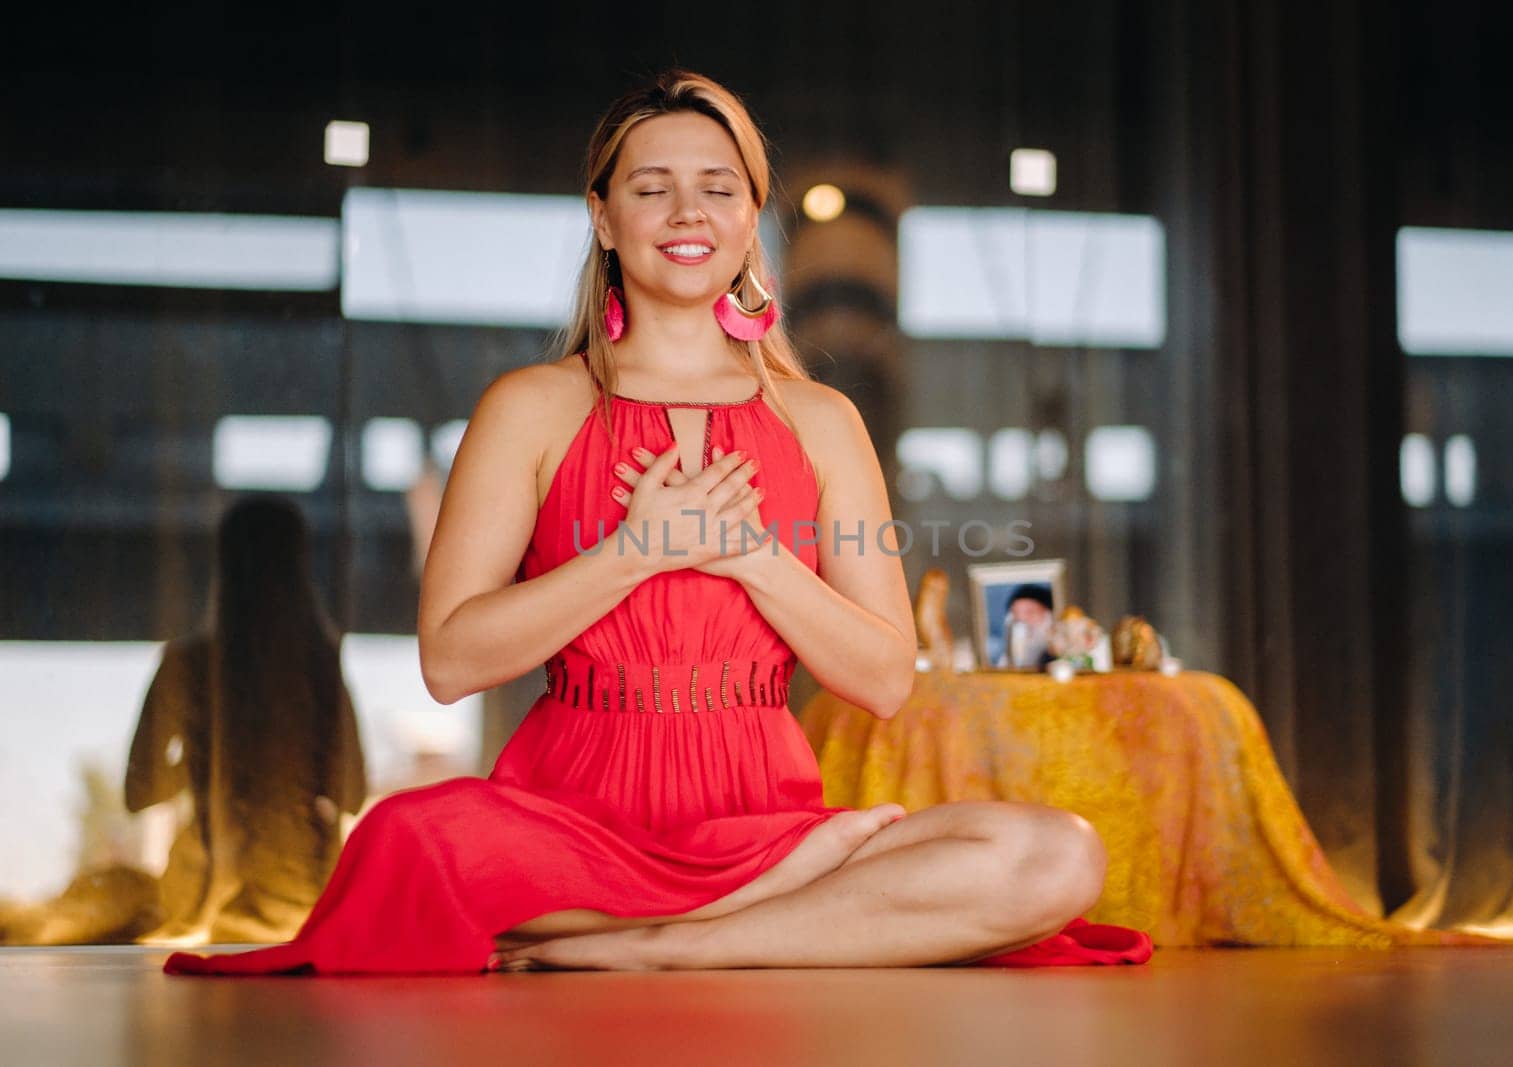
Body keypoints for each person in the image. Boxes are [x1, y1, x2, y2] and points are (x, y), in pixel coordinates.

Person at [166, 70, 1149, 975]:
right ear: (602, 216)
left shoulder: (821, 422)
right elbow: (452, 658)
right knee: (406, 838)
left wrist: (752, 555)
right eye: (651, 187)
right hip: (565, 826)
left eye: (718, 186)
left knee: (1056, 854)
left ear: (751, 215)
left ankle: (667, 945)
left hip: (766, 825)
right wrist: (637, 551)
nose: (688, 212)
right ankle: (764, 924)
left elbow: (885, 676)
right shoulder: (532, 406)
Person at [129, 495, 366, 946]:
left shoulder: (188, 664)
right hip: (303, 889)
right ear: (300, 570)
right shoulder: (318, 663)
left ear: (224, 567)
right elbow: (351, 790)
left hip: (204, 894)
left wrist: (201, 764)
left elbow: (138, 791)